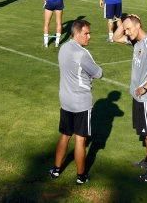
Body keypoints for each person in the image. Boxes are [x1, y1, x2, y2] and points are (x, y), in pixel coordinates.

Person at [49, 20, 103, 185]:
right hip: (81, 102)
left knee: (65, 135)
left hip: (65, 100)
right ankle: (81, 176)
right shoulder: (83, 54)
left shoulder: (64, 47)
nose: (89, 37)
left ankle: (56, 170)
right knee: (81, 139)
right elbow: (99, 73)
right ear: (77, 33)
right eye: (86, 33)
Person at [112, 15, 147, 182]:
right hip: (138, 97)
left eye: (129, 29)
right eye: (126, 30)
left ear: (139, 25)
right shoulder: (136, 41)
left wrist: (145, 87)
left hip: (146, 98)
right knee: (145, 133)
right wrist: (124, 22)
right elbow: (115, 38)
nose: (126, 33)